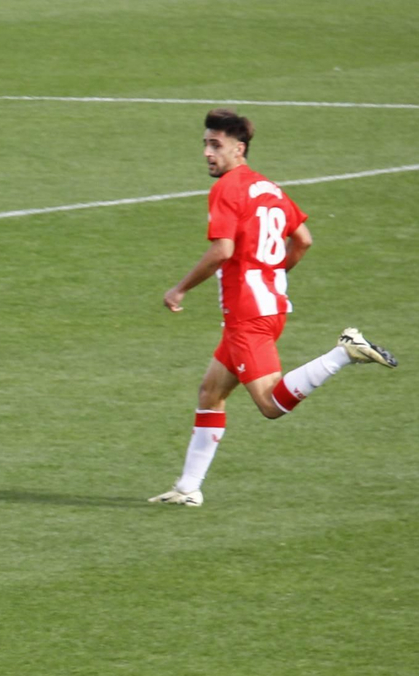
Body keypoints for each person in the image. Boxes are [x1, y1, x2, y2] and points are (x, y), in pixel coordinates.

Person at [150, 109, 397, 507]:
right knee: (211, 392)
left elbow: (222, 250)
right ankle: (187, 488)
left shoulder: (227, 189)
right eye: (205, 144)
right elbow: (303, 240)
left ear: (239, 148)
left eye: (216, 145)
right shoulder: (269, 188)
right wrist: (272, 271)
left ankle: (344, 352)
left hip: (249, 315)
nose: (207, 153)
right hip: (264, 308)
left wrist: (179, 289)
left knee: (269, 405)